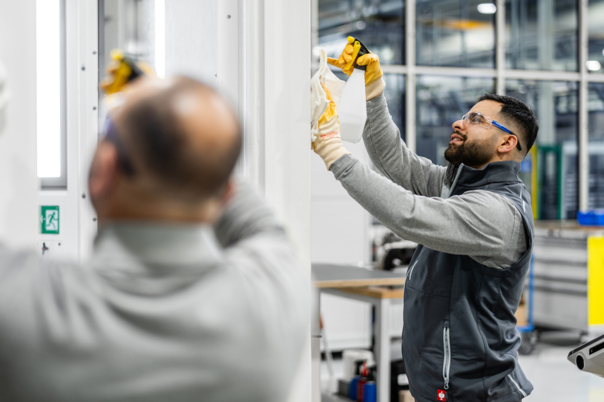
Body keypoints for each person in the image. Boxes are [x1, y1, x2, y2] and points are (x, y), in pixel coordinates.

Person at [0, 75, 308, 401]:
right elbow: (241, 204)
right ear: (224, 193)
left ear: (104, 171)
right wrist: (173, 123)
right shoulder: (275, 295)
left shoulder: (22, 308)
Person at [314, 40, 539, 402]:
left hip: (475, 391)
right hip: (439, 384)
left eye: (476, 120)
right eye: (466, 115)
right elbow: (395, 161)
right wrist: (373, 93)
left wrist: (334, 154)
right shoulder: (454, 186)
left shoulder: (500, 214)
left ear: (507, 142)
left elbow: (410, 215)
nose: (459, 122)